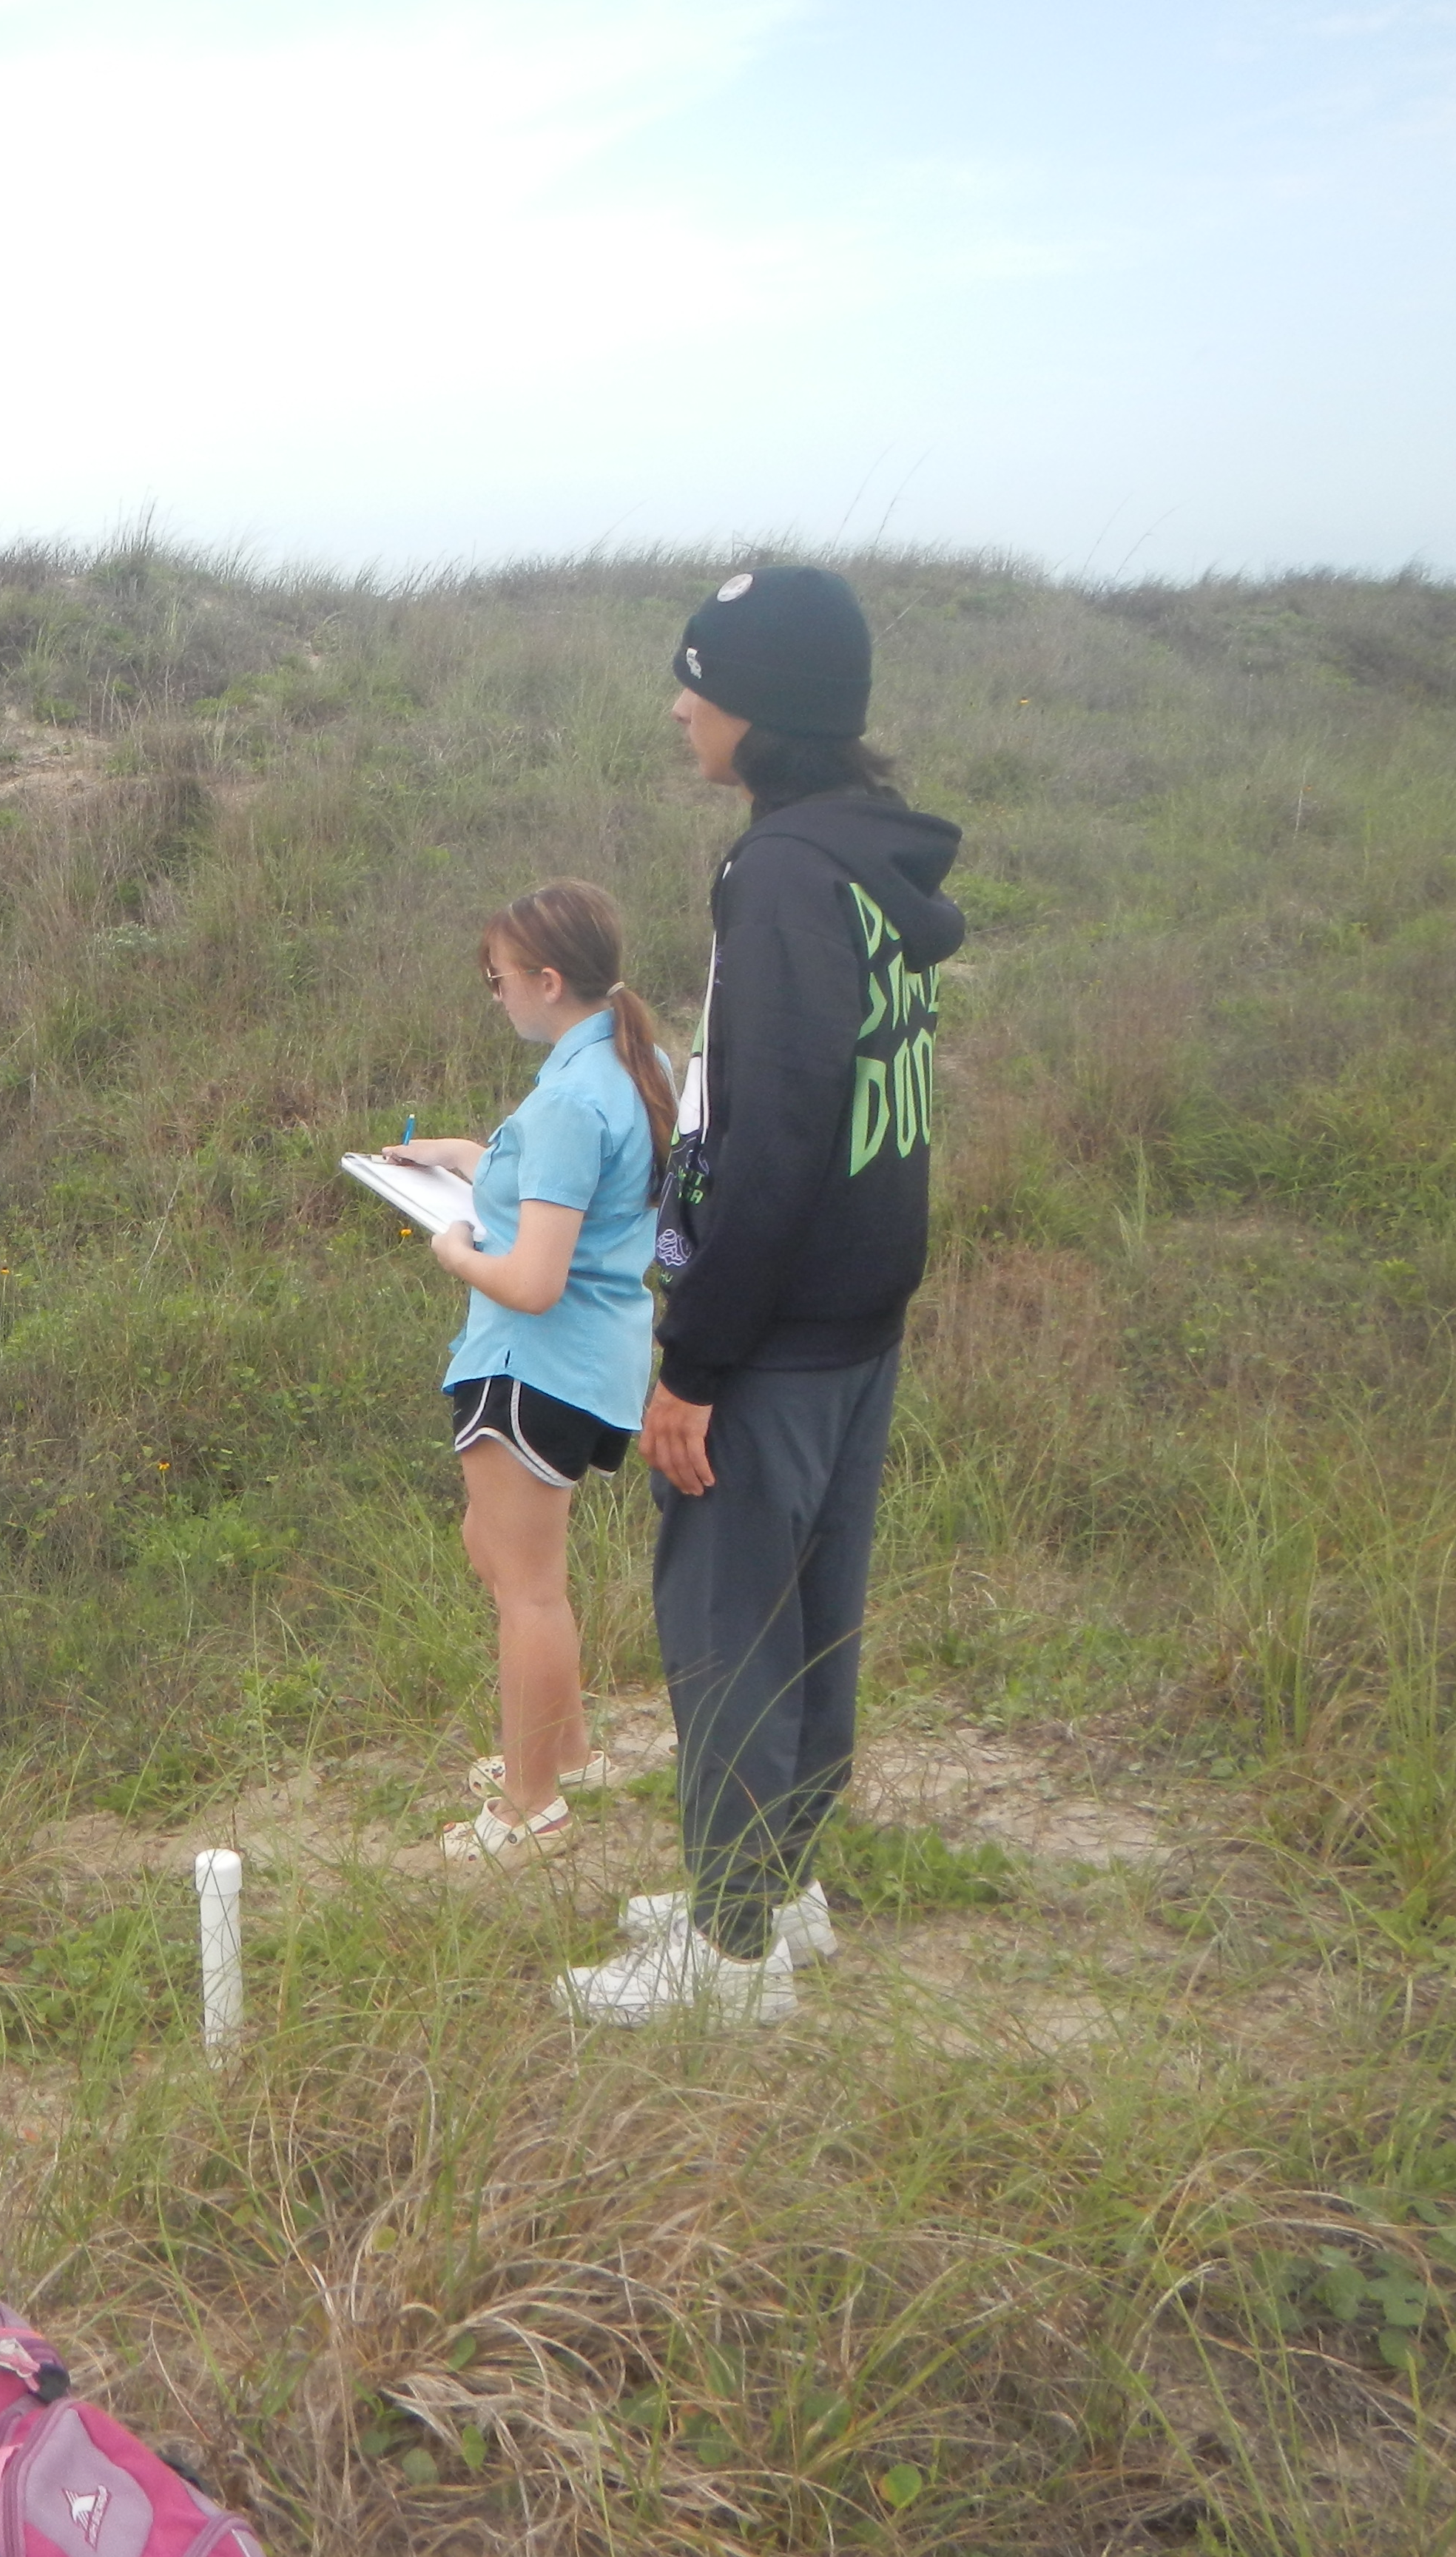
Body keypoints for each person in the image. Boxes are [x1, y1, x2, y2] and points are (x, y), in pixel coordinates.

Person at [557, 565, 965, 2029]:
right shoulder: (866, 864)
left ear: (762, 711)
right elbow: (839, 1113)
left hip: (781, 1341)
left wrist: (695, 1361)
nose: (680, 704)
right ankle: (778, 1895)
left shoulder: (784, 870)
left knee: (730, 1636)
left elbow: (783, 1134)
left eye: (700, 680)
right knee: (810, 1624)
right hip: (856, 1326)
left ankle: (726, 1961)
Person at [387, 881, 671, 1881]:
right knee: (504, 1559)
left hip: (529, 1364)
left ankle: (531, 1801)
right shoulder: (633, 1065)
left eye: (498, 980)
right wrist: (469, 1157)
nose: (495, 996)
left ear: (547, 980)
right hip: (598, 1358)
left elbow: (534, 1278)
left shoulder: (565, 1102)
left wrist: (455, 1248)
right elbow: (570, 1197)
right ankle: (568, 1752)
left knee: (527, 1593)